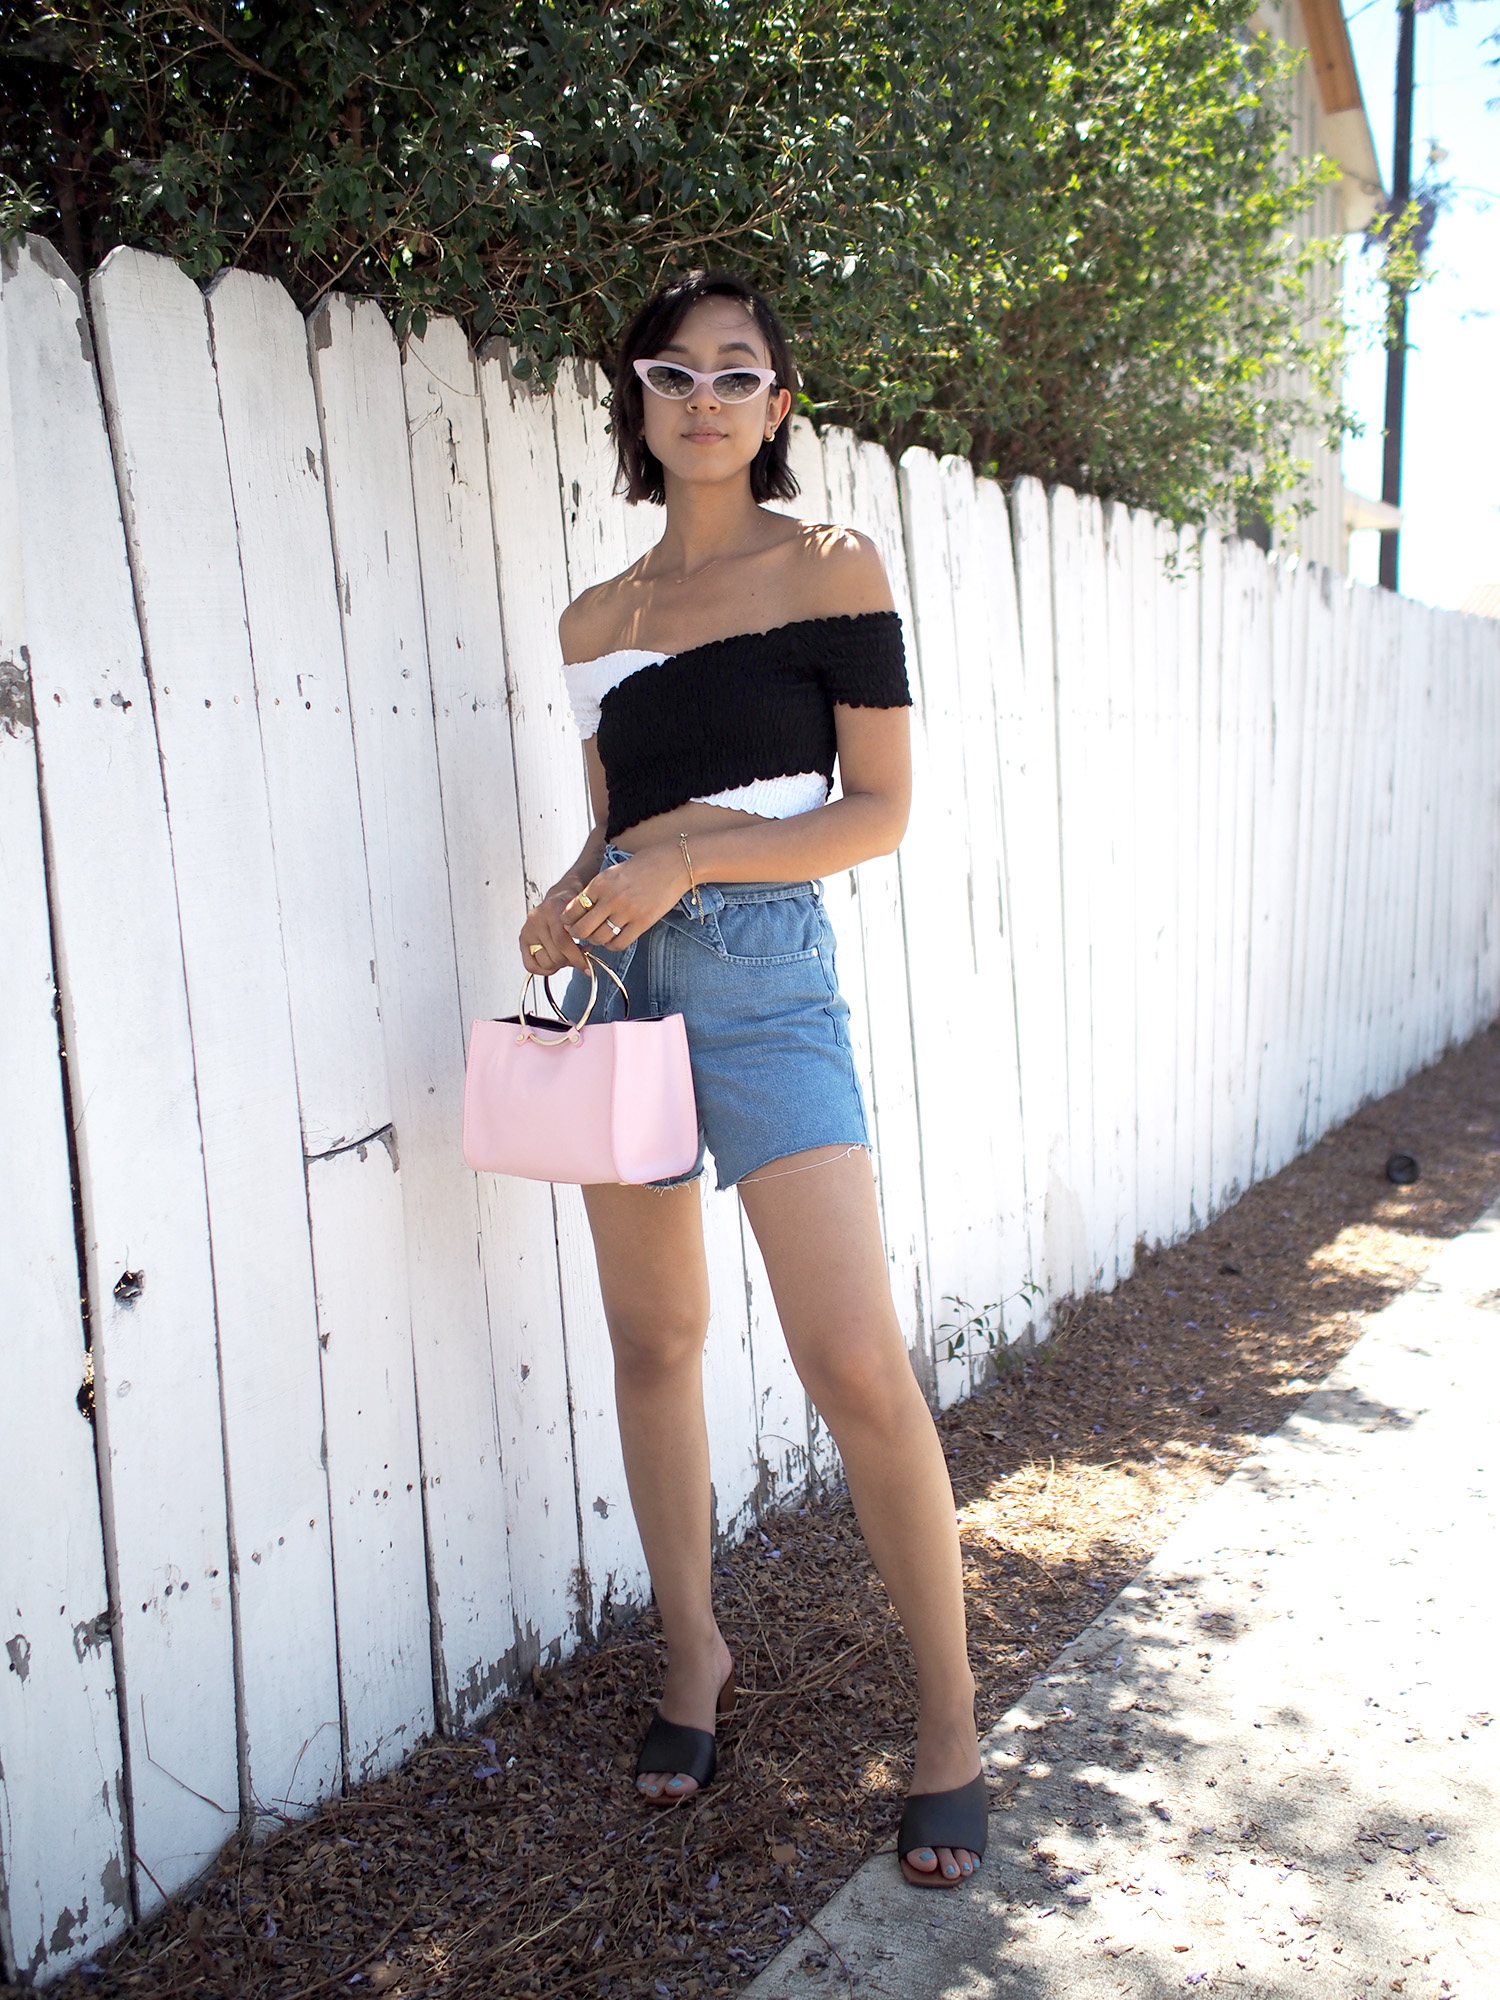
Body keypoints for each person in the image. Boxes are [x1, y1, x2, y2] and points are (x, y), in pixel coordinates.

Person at [516, 270, 986, 1887]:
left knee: (852, 1359)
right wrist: (564, 889)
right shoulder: (595, 624)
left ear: (778, 406)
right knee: (655, 1341)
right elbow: (613, 821)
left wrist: (699, 857)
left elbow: (876, 811)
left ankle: (949, 1727)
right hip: (622, 986)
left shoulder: (833, 565)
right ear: (639, 407)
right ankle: (692, 1659)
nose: (704, 395)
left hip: (768, 984)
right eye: (672, 373)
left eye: (737, 373)